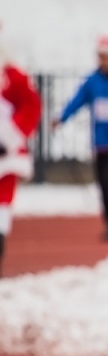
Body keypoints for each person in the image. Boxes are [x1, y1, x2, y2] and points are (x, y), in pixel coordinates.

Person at [54, 37, 108, 241]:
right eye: (100, 57)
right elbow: (78, 100)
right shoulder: (93, 82)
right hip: (99, 141)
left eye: (106, 57)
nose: (103, 61)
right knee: (102, 182)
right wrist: (62, 117)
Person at [0, 39, 42, 278]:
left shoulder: (13, 78)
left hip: (6, 157)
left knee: (1, 205)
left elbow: (30, 107)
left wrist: (8, 138)